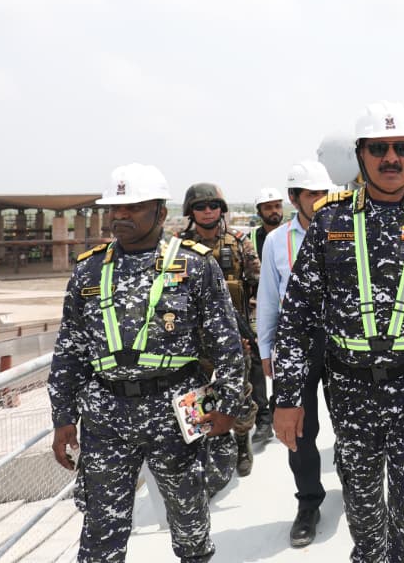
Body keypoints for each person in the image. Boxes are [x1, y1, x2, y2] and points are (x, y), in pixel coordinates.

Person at [272, 100, 404, 563]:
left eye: (401, 148)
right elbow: (299, 316)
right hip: (351, 389)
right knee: (364, 517)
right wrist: (287, 399)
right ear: (362, 155)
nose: (391, 158)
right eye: (379, 148)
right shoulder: (329, 220)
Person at [47, 163, 246, 563]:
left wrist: (227, 407)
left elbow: (227, 345)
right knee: (100, 534)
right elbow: (70, 348)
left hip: (176, 412)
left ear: (159, 210)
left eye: (132, 207)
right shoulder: (89, 268)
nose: (120, 216)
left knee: (190, 526)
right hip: (106, 417)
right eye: (114, 208)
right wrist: (63, 416)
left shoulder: (194, 264)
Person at [255, 160, 333, 547]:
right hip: (294, 343)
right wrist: (266, 348)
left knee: (351, 422)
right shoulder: (276, 241)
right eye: (311, 195)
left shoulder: (344, 232)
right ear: (293, 198)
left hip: (337, 340)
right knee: (299, 430)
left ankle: (357, 488)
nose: (319, 202)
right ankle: (308, 503)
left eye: (324, 194)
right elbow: (268, 299)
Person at [176, 183, 260, 486]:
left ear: (221, 210)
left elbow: (256, 287)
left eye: (213, 205)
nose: (208, 211)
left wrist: (247, 328)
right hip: (193, 340)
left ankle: (241, 441)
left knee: (239, 395)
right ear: (191, 212)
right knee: (195, 397)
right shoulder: (176, 247)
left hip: (233, 338)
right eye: (201, 206)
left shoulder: (238, 243)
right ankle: (202, 450)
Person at [247, 187, 284, 443]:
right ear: (259, 211)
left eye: (277, 205)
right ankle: (263, 417)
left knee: (283, 363)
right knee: (258, 363)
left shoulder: (289, 236)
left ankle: (279, 405)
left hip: (286, 308)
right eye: (269, 207)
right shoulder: (250, 239)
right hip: (256, 307)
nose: (275, 211)